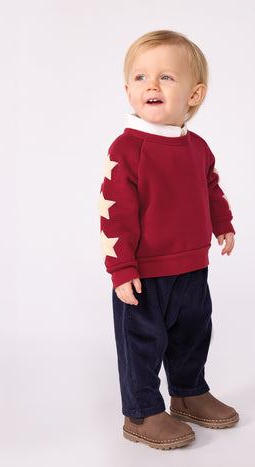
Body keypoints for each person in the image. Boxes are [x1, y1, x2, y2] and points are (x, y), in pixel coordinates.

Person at [99, 30, 239, 450]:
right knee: (142, 343)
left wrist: (223, 224)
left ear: (194, 94)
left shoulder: (198, 148)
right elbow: (115, 212)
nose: (152, 86)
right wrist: (121, 268)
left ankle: (188, 392)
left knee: (192, 334)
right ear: (128, 90)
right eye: (141, 77)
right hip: (144, 274)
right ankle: (141, 411)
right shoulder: (127, 149)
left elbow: (211, 189)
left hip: (193, 266)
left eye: (166, 77)